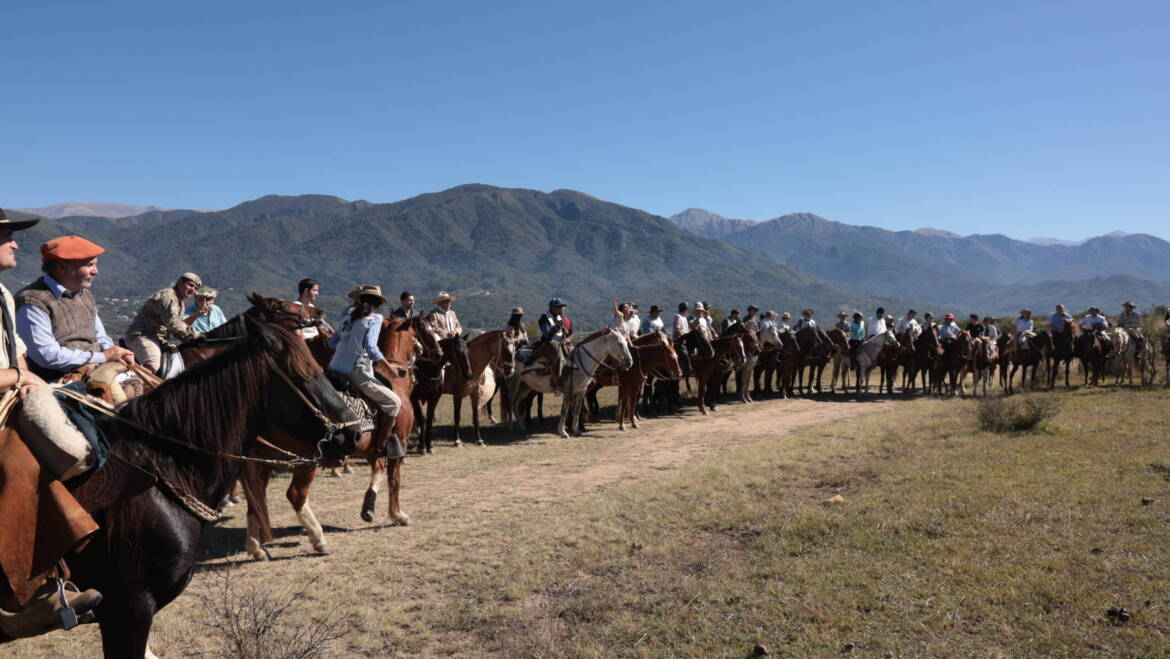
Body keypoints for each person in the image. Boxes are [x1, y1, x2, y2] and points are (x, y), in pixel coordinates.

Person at [0, 209, 103, 638]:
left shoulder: (3, 294)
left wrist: (27, 378)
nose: (15, 243)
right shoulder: (30, 298)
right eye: (4, 235)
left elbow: (19, 352)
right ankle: (20, 601)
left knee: (77, 436)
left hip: (10, 394)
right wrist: (21, 377)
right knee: (20, 464)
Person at [14, 235, 135, 381]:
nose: (96, 271)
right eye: (90, 265)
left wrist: (117, 353)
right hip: (58, 381)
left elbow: (100, 337)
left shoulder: (85, 295)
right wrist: (103, 356)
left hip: (94, 369)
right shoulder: (32, 301)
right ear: (62, 267)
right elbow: (46, 355)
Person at [328, 285, 401, 429]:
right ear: (378, 304)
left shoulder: (347, 318)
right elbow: (371, 347)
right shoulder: (375, 318)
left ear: (359, 301)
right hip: (356, 371)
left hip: (333, 368)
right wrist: (389, 368)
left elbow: (332, 343)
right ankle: (382, 444)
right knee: (395, 403)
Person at [124, 273, 203, 373]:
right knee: (153, 364)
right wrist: (196, 334)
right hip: (143, 336)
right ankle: (132, 385)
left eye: (195, 288)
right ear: (179, 282)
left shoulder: (180, 304)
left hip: (159, 339)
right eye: (190, 285)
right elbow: (172, 323)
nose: (192, 289)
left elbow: (175, 331)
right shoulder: (168, 296)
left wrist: (193, 340)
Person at [529, 298, 572, 385]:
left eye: (561, 307)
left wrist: (567, 338)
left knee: (574, 352)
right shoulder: (544, 317)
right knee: (558, 355)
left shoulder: (560, 318)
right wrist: (557, 327)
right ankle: (557, 382)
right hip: (548, 343)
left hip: (561, 343)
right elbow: (547, 334)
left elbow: (567, 333)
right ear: (553, 308)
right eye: (559, 307)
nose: (561, 309)